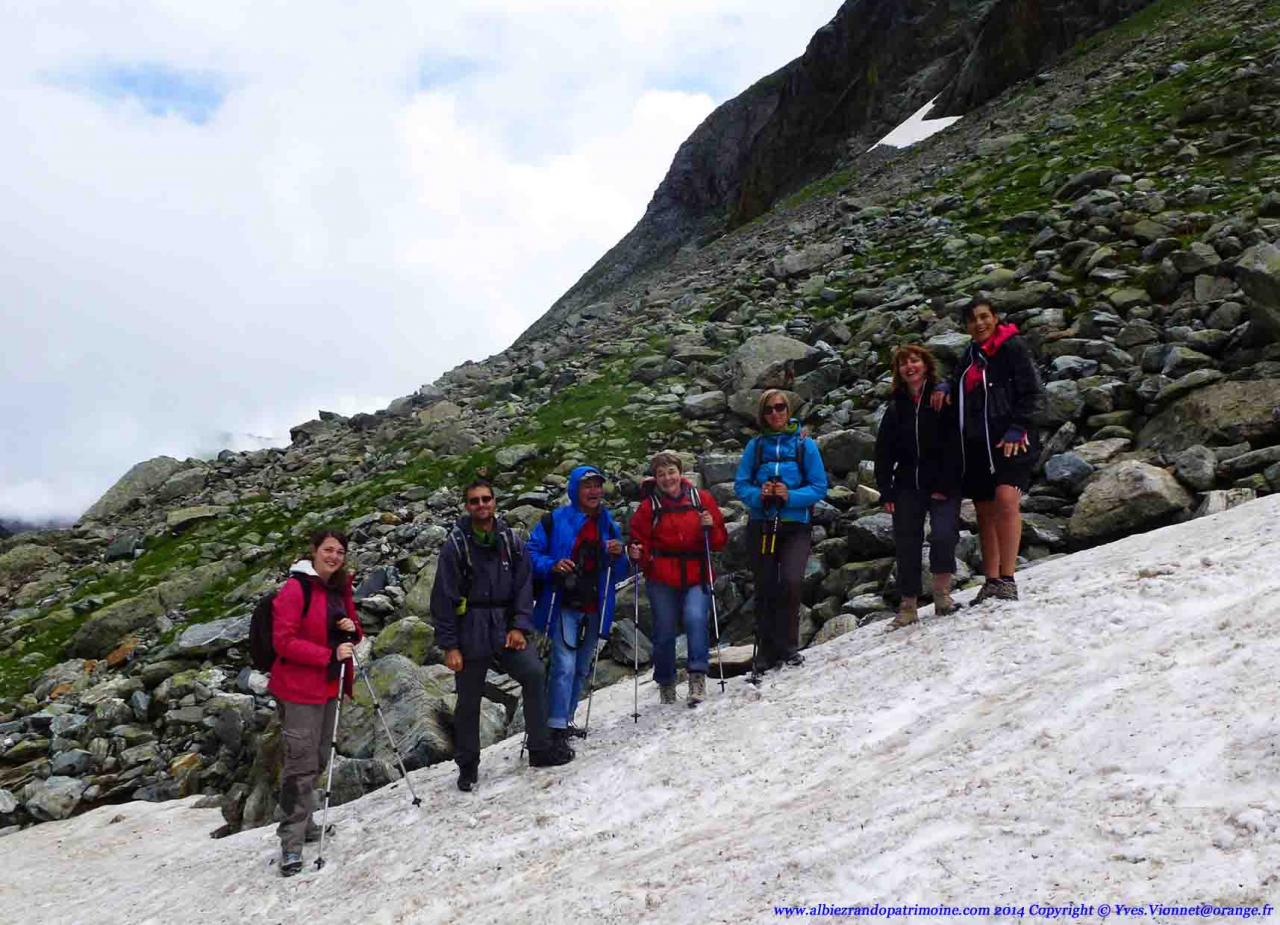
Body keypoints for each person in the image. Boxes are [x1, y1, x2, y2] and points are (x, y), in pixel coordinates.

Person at [431, 478, 573, 792]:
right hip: (471, 629)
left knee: (534, 674)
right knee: (468, 700)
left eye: (486, 499)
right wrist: (450, 646)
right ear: (467, 507)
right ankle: (468, 766)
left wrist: (520, 627)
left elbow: (524, 588)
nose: (481, 505)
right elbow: (443, 598)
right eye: (474, 501)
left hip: (506, 626)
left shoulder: (511, 541)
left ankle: (539, 747)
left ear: (495, 502)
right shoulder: (456, 546)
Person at [932, 298, 1043, 603]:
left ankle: (1007, 577)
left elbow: (1031, 391)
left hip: (1009, 438)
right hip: (977, 443)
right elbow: (958, 382)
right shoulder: (970, 353)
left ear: (995, 317)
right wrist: (943, 388)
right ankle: (991, 579)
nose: (979, 323)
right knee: (984, 510)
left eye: (984, 317)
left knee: (1007, 499)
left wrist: (1019, 426)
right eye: (972, 320)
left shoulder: (1012, 347)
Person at [267, 528, 364, 877]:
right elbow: (283, 641)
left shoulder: (340, 587)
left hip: (327, 688)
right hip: (298, 690)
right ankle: (291, 845)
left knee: (320, 757)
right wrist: (328, 655)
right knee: (300, 766)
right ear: (314, 550)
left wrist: (348, 627)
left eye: (340, 551)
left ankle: (306, 823)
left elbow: (355, 631)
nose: (334, 556)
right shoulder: (296, 589)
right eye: (328, 550)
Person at [528, 465, 626, 743]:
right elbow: (530, 553)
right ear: (574, 490)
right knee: (564, 665)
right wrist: (553, 565)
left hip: (595, 604)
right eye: (587, 486)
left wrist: (621, 555)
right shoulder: (554, 520)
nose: (594, 491)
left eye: (597, 485)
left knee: (581, 667)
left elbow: (618, 574)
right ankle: (556, 725)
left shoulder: (609, 525)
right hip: (563, 603)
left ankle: (565, 719)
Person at [734, 390, 828, 673]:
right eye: (769, 410)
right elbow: (741, 484)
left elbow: (818, 486)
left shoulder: (805, 446)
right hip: (761, 523)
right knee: (764, 585)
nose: (775, 413)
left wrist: (790, 496)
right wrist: (758, 495)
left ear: (788, 411)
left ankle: (788, 646)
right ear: (762, 415)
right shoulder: (756, 446)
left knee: (790, 581)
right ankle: (765, 651)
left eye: (780, 408)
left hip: (795, 525)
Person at [627, 451, 728, 706]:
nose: (667, 478)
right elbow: (638, 540)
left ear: (680, 473)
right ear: (655, 478)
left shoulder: (701, 499)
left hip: (697, 572)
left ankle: (697, 676)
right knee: (663, 631)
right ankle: (666, 681)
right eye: (661, 474)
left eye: (671, 472)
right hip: (662, 576)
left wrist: (710, 526)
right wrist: (637, 553)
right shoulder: (648, 507)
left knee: (695, 618)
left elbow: (719, 541)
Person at [874, 344, 963, 629]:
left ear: (926, 364)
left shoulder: (941, 398)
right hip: (907, 484)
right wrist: (886, 490)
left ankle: (942, 594)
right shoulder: (896, 406)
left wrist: (945, 482)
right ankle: (908, 605)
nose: (909, 367)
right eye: (903, 363)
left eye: (914, 361)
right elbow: (883, 452)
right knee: (907, 543)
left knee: (944, 534)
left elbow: (955, 444)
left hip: (944, 482)